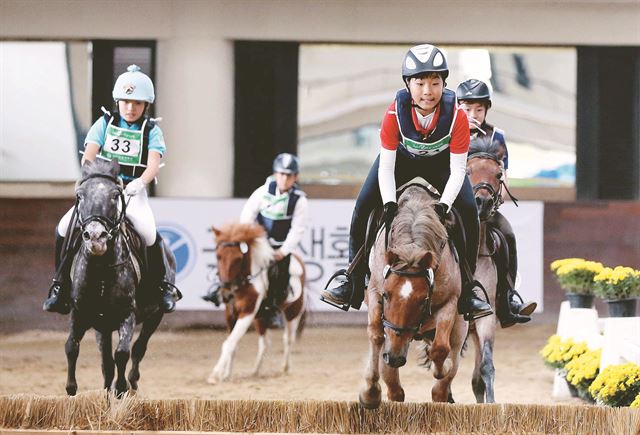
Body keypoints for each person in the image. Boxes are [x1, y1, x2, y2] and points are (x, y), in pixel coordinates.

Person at [320, 44, 492, 320]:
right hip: (400, 162)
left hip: (442, 165)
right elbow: (386, 165)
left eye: (435, 82)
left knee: (469, 213)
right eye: (420, 82)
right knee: (363, 205)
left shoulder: (458, 115)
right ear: (408, 85)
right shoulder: (394, 113)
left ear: (444, 84)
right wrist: (388, 202)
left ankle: (470, 289)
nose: (428, 90)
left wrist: (445, 205)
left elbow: (458, 169)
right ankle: (351, 280)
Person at [43, 64, 181, 315]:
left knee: (149, 233)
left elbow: (152, 165)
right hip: (102, 190)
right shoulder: (104, 123)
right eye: (126, 102)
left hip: (132, 193)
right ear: (118, 101)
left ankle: (161, 288)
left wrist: (140, 183)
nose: (131, 108)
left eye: (137, 103)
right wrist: (94, 180)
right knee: (63, 227)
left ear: (145, 106)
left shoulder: (151, 130)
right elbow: (89, 157)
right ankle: (59, 286)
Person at [456, 78, 537, 327]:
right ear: (458, 108)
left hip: (485, 208)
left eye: (479, 109)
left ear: (486, 109)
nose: (473, 114)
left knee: (507, 234)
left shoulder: (497, 136)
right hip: (454, 207)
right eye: (467, 109)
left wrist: (494, 202)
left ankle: (508, 295)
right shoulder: (448, 132)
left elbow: (505, 176)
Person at [202, 153, 308, 327]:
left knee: (280, 273)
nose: (284, 179)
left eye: (289, 175)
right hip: (259, 244)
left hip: (279, 249)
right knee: (232, 259)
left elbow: (297, 230)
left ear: (295, 177)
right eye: (281, 174)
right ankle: (219, 290)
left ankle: (272, 308)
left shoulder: (299, 200)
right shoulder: (262, 192)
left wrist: (283, 251)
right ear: (275, 174)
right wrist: (252, 241)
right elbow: (247, 217)